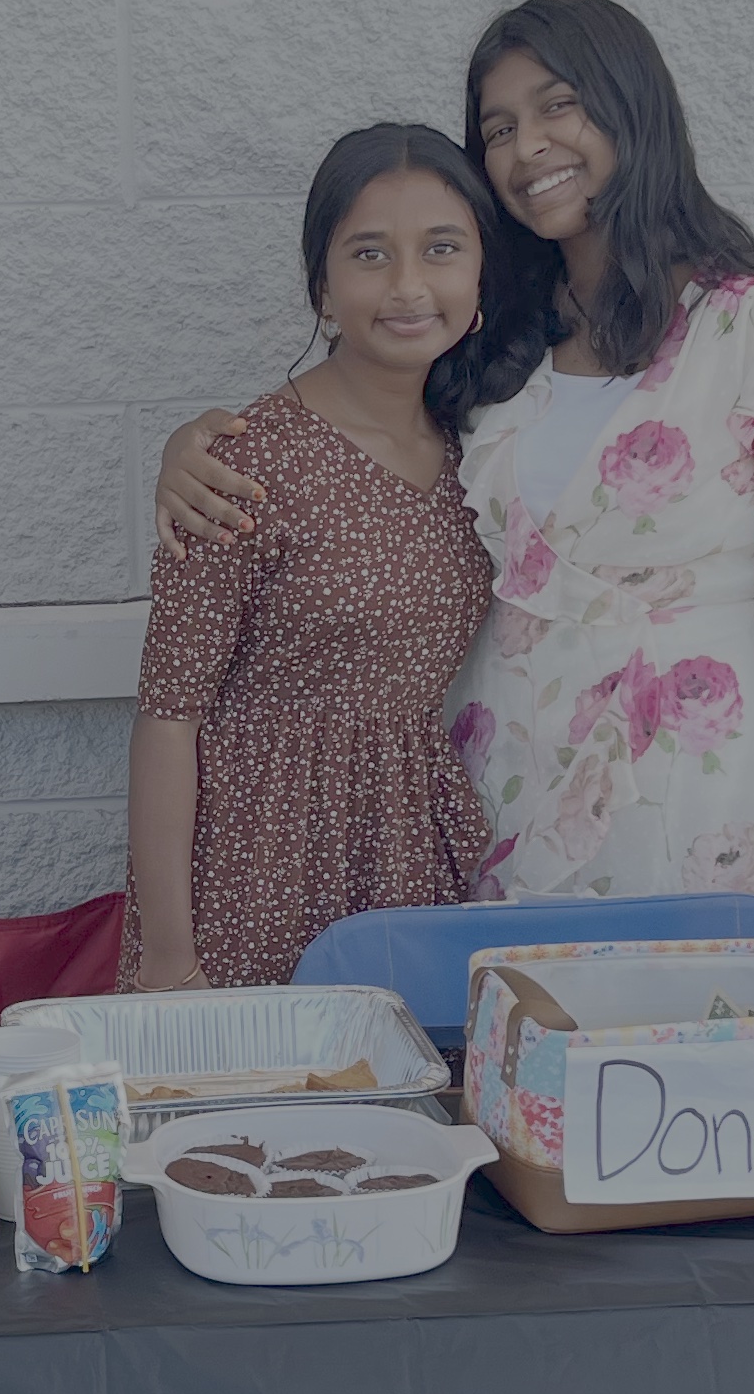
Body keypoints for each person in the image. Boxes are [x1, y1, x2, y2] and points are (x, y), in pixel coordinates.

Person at [154, 0, 754, 933]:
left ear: (631, 105)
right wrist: (191, 444)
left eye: (555, 105)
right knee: (494, 1064)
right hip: (492, 780)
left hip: (684, 785)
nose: (526, 147)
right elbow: (354, 428)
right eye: (497, 127)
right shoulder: (494, 335)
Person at [120, 124, 509, 992]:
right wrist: (171, 954)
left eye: (440, 249)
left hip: (405, 851)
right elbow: (168, 714)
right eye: (370, 254)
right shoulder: (243, 461)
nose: (408, 286)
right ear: (323, 288)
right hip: (253, 862)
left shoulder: (476, 445)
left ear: (480, 275)